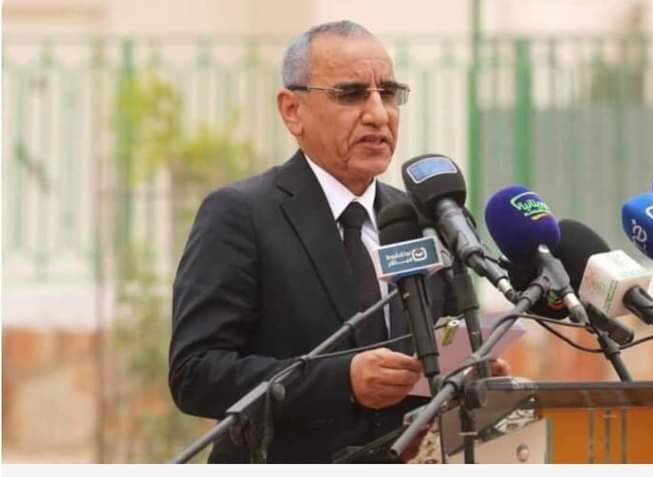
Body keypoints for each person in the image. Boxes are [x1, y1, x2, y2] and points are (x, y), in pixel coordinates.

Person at [169, 20, 506, 464]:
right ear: (293, 110)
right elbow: (195, 374)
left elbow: (440, 351)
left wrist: (466, 376)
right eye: (351, 94)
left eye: (389, 93)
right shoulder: (241, 214)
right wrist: (342, 380)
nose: (378, 114)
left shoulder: (423, 219)